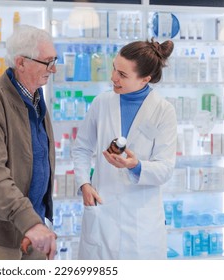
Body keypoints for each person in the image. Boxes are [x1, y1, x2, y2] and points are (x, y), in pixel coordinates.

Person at [72, 38, 177, 259]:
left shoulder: (163, 111)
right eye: (114, 68)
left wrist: (136, 166)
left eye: (123, 74)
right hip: (102, 213)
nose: (113, 77)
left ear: (145, 79)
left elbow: (165, 168)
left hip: (141, 223)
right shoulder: (102, 103)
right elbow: (82, 147)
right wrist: (84, 183)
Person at [0, 25, 58, 260]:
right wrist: (29, 223)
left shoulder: (36, 97)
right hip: (1, 230)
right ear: (21, 62)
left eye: (54, 60)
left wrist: (35, 222)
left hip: (33, 224)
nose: (53, 69)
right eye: (47, 62)